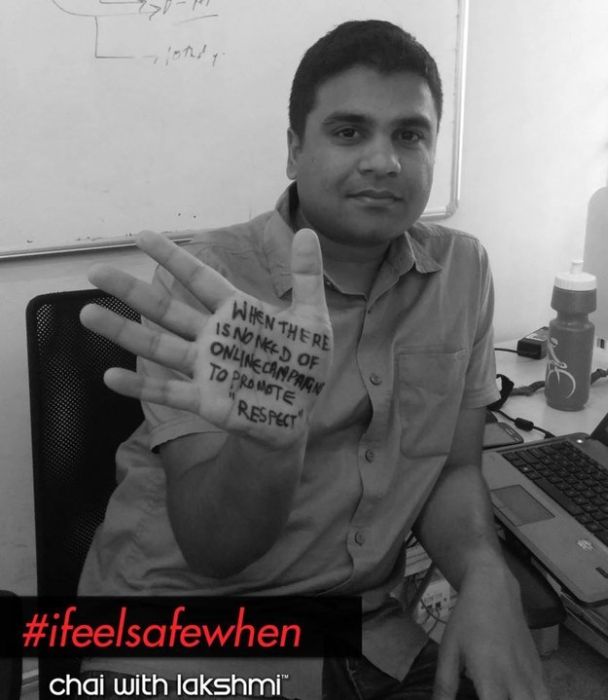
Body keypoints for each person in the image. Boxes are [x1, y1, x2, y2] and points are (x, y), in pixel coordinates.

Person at [77, 19, 550, 700]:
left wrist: (483, 571)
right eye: (349, 132)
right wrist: (270, 442)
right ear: (295, 150)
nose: (384, 161)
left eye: (410, 135)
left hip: (367, 623)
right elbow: (214, 551)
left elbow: (453, 468)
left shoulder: (462, 269)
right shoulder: (214, 283)